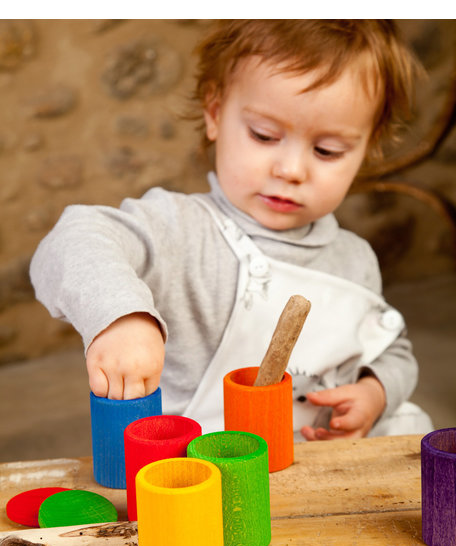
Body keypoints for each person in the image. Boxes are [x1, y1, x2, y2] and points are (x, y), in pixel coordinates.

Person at [30, 19, 434, 441]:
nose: (291, 170)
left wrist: (376, 391)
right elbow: (74, 238)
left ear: (366, 149)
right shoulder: (181, 229)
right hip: (199, 473)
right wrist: (120, 317)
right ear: (215, 114)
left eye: (327, 150)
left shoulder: (355, 259)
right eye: (264, 135)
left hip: (317, 470)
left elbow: (393, 351)